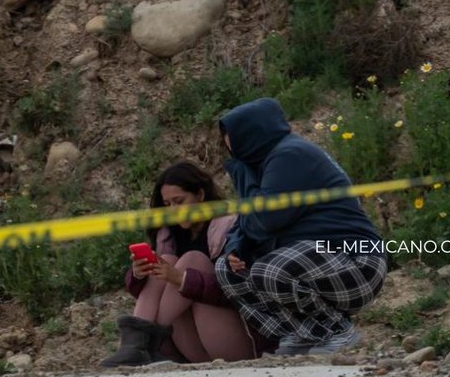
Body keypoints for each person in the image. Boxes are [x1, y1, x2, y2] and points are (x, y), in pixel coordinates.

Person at [215, 97, 386, 356]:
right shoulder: (267, 162)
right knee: (228, 270)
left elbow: (265, 220)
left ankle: (337, 330)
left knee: (269, 270)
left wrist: (240, 172)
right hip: (320, 260)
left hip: (358, 262)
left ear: (251, 136)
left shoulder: (290, 155)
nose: (230, 151)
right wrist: (237, 248)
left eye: (234, 145)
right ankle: (303, 332)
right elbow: (246, 222)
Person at [102, 162, 274, 366]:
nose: (174, 210)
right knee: (166, 260)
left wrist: (182, 279)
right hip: (191, 349)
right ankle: (135, 345)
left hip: (237, 340)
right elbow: (151, 290)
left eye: (179, 201)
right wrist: (139, 274)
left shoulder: (232, 228)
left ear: (200, 195)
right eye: (168, 204)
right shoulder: (170, 236)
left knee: (194, 261)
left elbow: (244, 290)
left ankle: (148, 342)